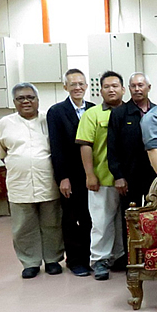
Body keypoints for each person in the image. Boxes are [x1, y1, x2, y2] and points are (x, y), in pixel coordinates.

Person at [0, 83, 64, 279]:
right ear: (14, 101)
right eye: (21, 98)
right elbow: (1, 153)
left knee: (52, 223)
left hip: (47, 182)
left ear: (37, 100)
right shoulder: (3, 124)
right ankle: (30, 263)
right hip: (19, 183)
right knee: (23, 226)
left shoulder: (48, 120)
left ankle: (52, 259)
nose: (26, 101)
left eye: (30, 97)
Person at [76, 71, 126, 281]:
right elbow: (85, 145)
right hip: (102, 179)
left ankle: (120, 257)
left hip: (126, 179)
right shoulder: (92, 114)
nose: (111, 89)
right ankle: (100, 261)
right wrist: (90, 174)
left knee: (122, 223)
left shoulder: (129, 112)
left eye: (115, 86)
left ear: (123, 89)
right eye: (107, 86)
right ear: (100, 90)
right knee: (101, 222)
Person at [47, 68, 94, 277]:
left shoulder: (94, 109)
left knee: (90, 218)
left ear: (86, 86)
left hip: (92, 174)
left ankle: (91, 257)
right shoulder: (56, 112)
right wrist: (62, 177)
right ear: (65, 86)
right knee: (71, 219)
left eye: (81, 84)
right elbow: (56, 148)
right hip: (71, 176)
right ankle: (75, 261)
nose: (78, 87)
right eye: (73, 84)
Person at [107, 72, 156, 261]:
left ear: (148, 88)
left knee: (154, 216)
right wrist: (118, 175)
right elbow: (112, 148)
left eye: (141, 85)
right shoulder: (120, 113)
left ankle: (152, 256)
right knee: (130, 219)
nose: (137, 89)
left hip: (154, 177)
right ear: (128, 89)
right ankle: (132, 258)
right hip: (129, 177)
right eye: (133, 86)